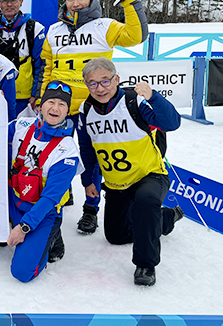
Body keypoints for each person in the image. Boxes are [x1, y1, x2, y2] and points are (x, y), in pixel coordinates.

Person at [40, 0, 148, 234]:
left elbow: (137, 35)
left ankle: (91, 209)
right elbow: (47, 67)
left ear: (92, 0)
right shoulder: (54, 31)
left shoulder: (105, 26)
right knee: (55, 155)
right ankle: (61, 197)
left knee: (92, 159)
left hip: (94, 105)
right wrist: (42, 97)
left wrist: (130, 1)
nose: (75, 3)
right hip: (61, 107)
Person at [76, 58, 183, 286]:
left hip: (150, 174)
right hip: (117, 184)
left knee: (146, 201)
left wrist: (153, 97)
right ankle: (165, 218)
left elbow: (172, 123)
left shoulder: (134, 102)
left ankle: (146, 265)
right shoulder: (85, 111)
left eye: (105, 81)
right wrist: (88, 181)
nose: (100, 88)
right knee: (116, 236)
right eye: (92, 83)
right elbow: (87, 150)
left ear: (116, 79)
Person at [7, 81, 82, 282]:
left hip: (41, 212)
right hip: (13, 199)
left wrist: (23, 228)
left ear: (68, 111)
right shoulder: (22, 125)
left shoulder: (67, 151)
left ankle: (51, 239)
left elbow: (50, 199)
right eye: (51, 102)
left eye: (62, 104)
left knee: (22, 273)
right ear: (40, 106)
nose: (55, 108)